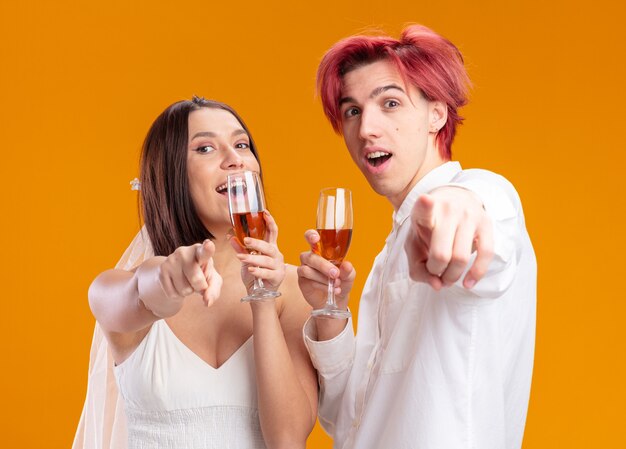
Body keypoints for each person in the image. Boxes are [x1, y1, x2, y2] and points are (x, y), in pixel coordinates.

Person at [297, 25, 536, 449]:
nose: (367, 128)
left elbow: (481, 216)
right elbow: (346, 421)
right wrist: (330, 312)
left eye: (390, 103)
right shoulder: (387, 255)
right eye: (352, 111)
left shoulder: (479, 193)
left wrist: (459, 208)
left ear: (437, 114)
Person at [73, 97, 318, 449]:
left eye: (241, 144)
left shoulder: (295, 288)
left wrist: (263, 296)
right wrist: (168, 278)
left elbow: (287, 440)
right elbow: (142, 292)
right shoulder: (114, 285)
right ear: (173, 175)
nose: (234, 158)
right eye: (205, 148)